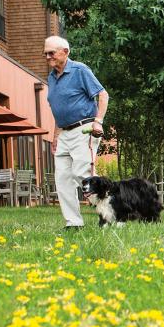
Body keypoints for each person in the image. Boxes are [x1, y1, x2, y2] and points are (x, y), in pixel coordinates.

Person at [44, 36, 107, 229]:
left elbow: (103, 95)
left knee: (83, 173)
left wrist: (98, 121)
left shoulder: (80, 70)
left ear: (65, 52)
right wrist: (55, 136)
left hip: (83, 129)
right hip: (64, 133)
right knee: (62, 179)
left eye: (51, 53)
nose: (47, 57)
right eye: (45, 54)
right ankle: (73, 223)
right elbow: (58, 108)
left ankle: (109, 214)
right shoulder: (51, 78)